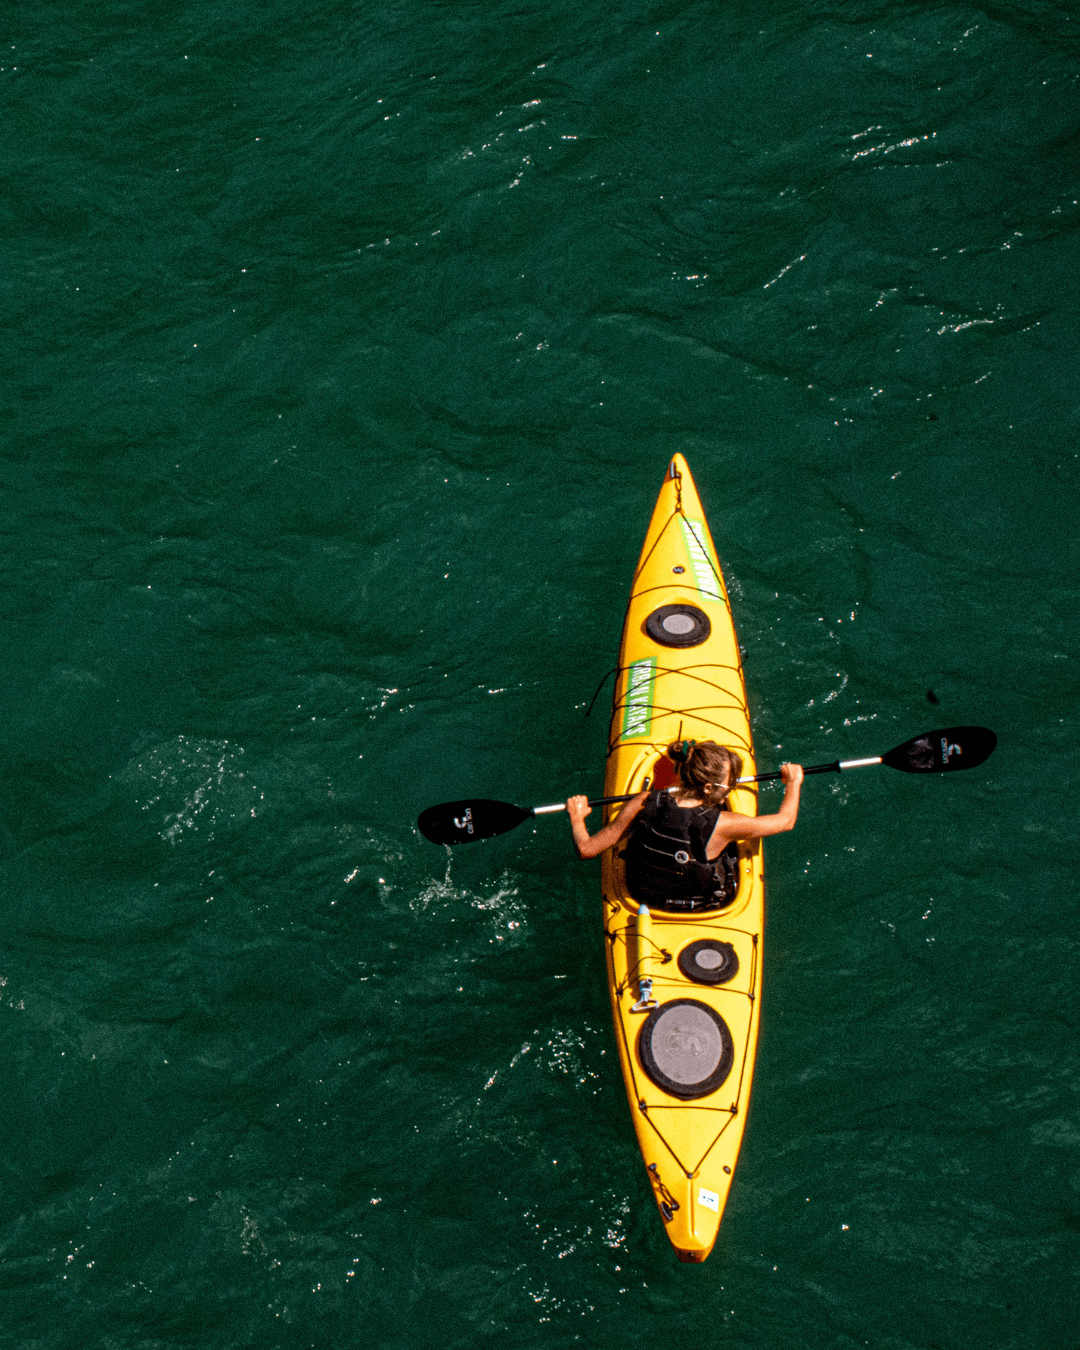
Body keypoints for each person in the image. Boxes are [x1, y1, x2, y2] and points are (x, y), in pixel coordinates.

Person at [566, 740, 804, 910]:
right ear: (708, 788)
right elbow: (786, 821)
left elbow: (587, 849)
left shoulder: (644, 801)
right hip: (699, 907)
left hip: (644, 901)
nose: (730, 788)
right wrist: (793, 782)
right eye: (727, 784)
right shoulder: (726, 823)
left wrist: (577, 819)